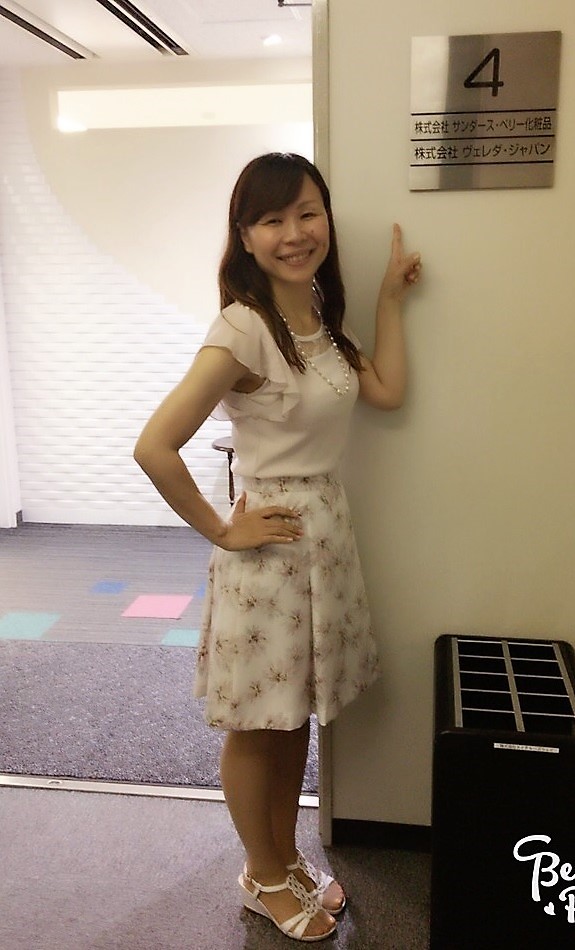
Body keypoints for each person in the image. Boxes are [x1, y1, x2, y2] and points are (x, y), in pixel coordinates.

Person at [134, 152, 421, 942]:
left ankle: (285, 856)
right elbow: (155, 446)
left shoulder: (318, 316)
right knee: (257, 726)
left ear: (326, 217)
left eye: (306, 213)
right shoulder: (244, 326)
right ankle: (261, 876)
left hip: (322, 545)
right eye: (272, 219)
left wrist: (388, 301)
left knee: (292, 719)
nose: (294, 233)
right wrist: (222, 528)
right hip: (268, 557)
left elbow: (386, 391)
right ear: (246, 236)